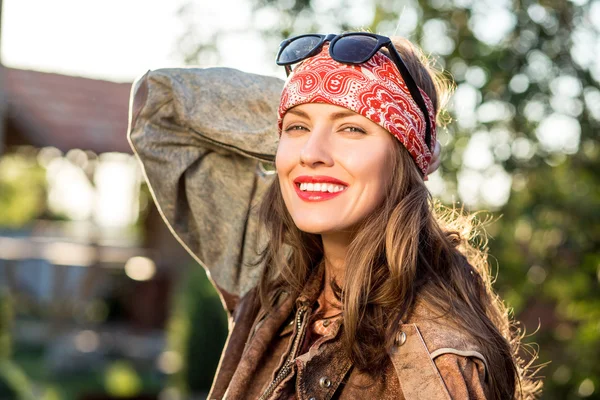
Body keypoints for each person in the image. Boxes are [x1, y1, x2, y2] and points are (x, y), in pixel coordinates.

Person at [128, 33, 540, 399]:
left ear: (407, 157)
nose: (312, 154)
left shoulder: (436, 362)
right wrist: (314, 99)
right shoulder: (274, 273)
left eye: (353, 130)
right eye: (297, 128)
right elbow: (159, 106)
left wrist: (411, 130)